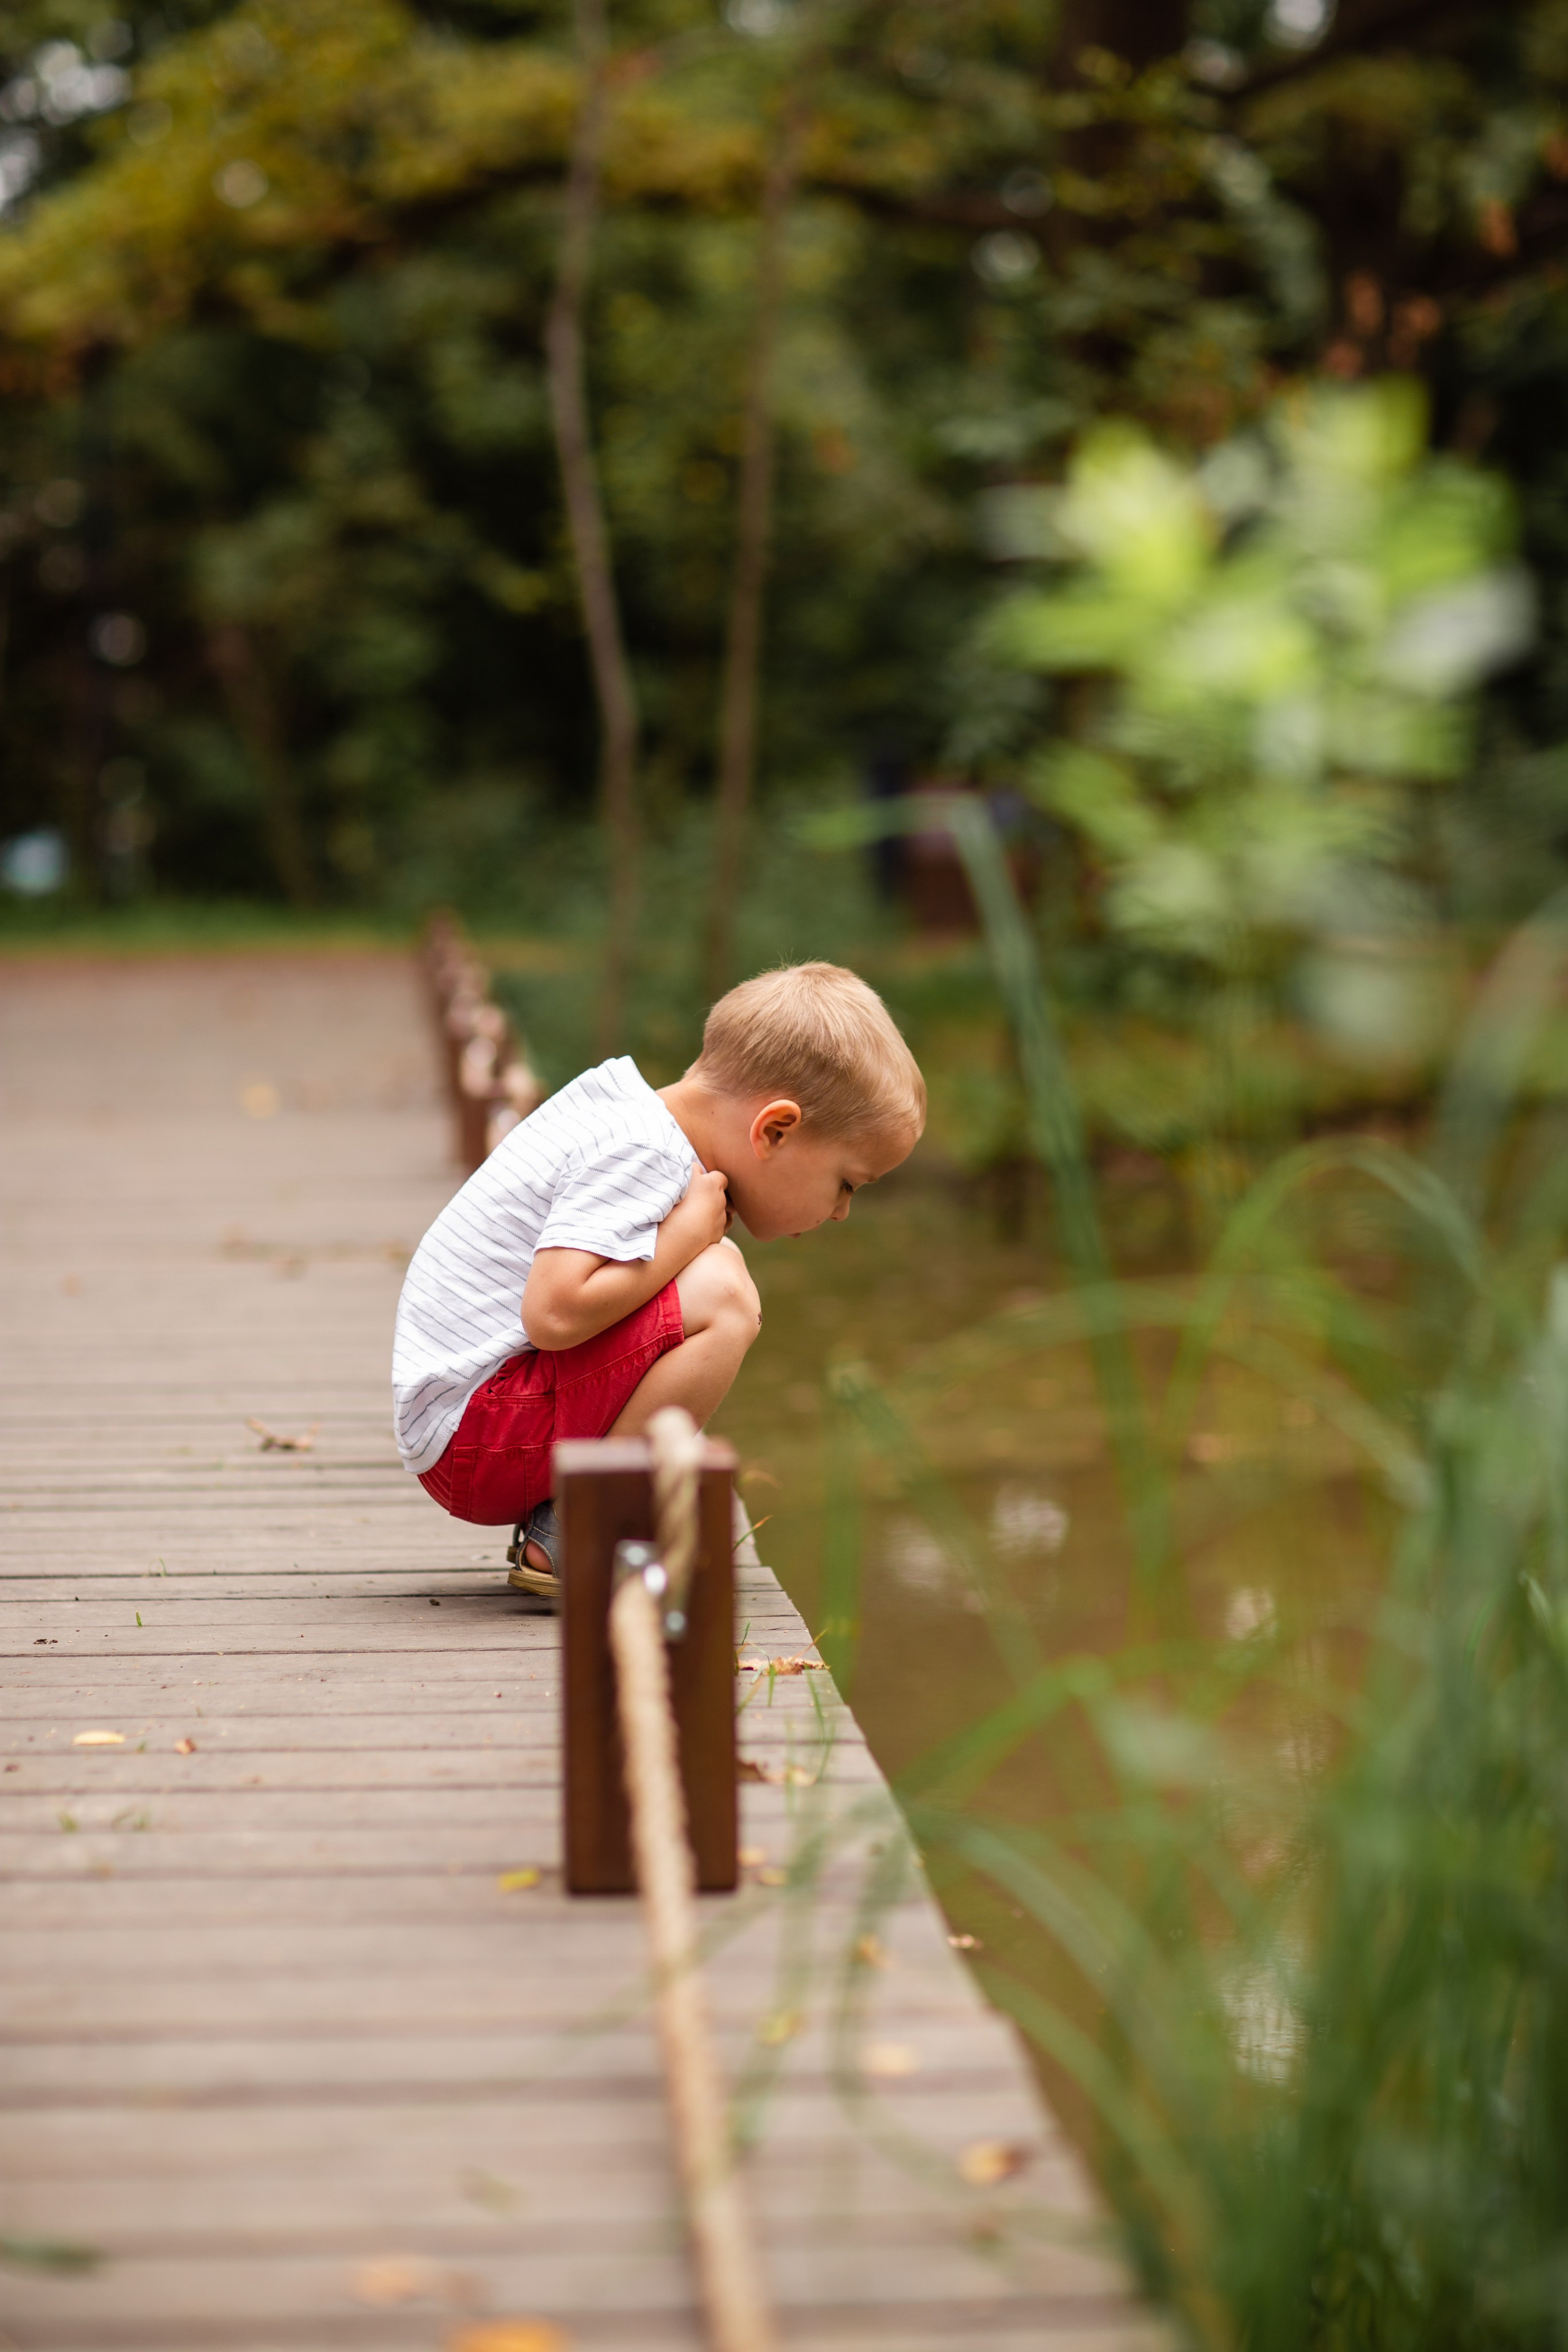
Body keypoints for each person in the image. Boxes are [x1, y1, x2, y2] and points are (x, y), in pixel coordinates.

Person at [392, 961, 925, 1604]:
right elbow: (553, 1314)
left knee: (711, 1272)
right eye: (847, 1183)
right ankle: (583, 1529)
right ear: (775, 1130)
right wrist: (687, 1237)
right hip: (476, 1436)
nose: (841, 1212)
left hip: (471, 1420)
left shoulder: (629, 1116)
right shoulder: (644, 1154)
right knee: (723, 1294)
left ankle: (579, 1517)